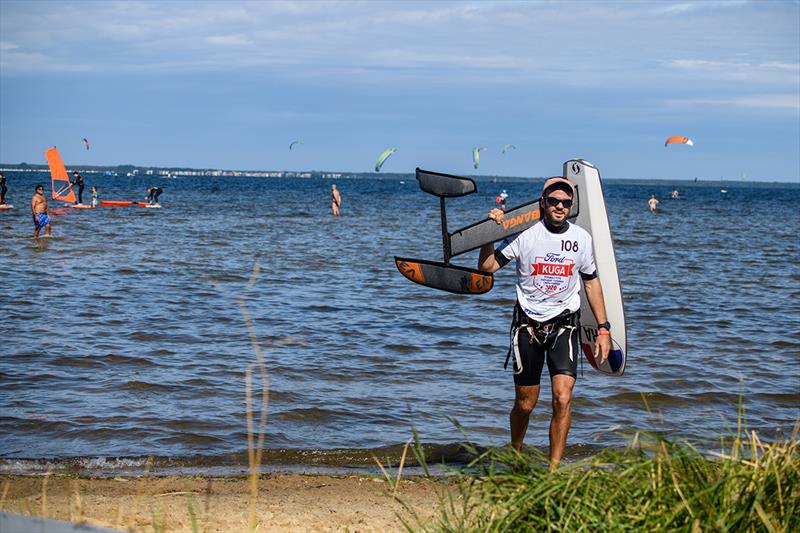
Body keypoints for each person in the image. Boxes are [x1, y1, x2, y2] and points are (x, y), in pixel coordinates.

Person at [477, 176, 611, 471]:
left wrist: (603, 328)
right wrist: (487, 234)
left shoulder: (581, 239)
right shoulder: (524, 234)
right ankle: (515, 456)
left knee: (562, 399)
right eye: (554, 201)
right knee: (525, 405)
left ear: (571, 206)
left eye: (565, 202)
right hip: (528, 327)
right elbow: (486, 268)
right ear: (543, 202)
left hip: (565, 326)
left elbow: (591, 284)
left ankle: (553, 473)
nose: (560, 206)